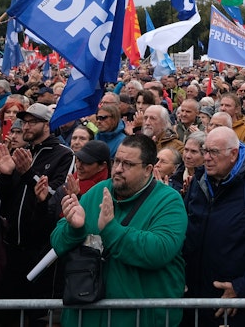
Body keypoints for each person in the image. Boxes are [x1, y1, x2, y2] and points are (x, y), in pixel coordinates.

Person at [52, 135, 187, 327]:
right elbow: (57, 243)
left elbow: (159, 250)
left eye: (128, 164)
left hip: (141, 319)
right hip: (86, 316)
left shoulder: (168, 201)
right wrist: (74, 229)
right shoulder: (97, 192)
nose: (118, 169)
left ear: (148, 170)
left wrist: (111, 230)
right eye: (117, 161)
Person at [183, 126, 245, 327]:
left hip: (234, 304)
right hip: (194, 299)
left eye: (214, 152)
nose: (207, 158)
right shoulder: (198, 183)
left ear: (233, 154)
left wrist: (242, 288)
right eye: (205, 151)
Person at [0, 103, 74, 309]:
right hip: (12, 245)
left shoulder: (63, 154)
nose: (26, 127)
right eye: (24, 122)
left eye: (32, 122)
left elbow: (55, 195)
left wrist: (29, 173)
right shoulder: (22, 152)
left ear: (46, 125)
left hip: (41, 247)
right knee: (9, 307)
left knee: (37, 309)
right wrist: (5, 175)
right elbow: (5, 198)